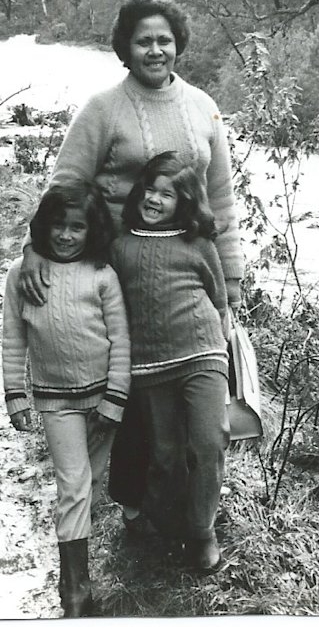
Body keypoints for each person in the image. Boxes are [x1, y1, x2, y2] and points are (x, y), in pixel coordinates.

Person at [18, 0, 244, 533]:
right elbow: (65, 189)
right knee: (136, 397)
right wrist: (34, 251)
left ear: (178, 45)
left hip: (186, 280)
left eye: (164, 39)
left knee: (198, 403)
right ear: (125, 48)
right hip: (117, 273)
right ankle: (136, 506)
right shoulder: (102, 109)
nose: (155, 49)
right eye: (143, 40)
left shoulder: (203, 107)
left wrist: (231, 286)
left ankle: (194, 512)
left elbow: (221, 201)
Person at [2, 181, 131, 618]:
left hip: (102, 400)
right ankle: (74, 587)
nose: (65, 235)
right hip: (57, 403)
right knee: (73, 487)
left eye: (77, 227)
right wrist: (15, 394)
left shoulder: (102, 275)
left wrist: (114, 400)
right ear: (43, 226)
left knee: (89, 485)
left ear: (92, 231)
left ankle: (78, 570)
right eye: (58, 225)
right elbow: (13, 339)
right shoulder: (22, 276)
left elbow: (121, 342)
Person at [109, 152, 230, 573]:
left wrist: (226, 346)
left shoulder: (197, 243)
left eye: (168, 194)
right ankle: (165, 524)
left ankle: (202, 532)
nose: (155, 200)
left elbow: (219, 300)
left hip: (204, 353)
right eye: (150, 190)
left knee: (209, 441)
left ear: (185, 202)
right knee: (164, 454)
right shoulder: (120, 245)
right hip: (149, 365)